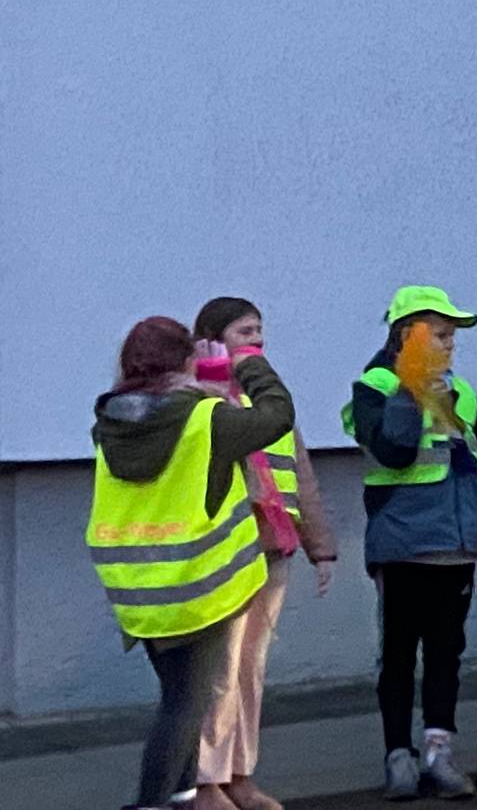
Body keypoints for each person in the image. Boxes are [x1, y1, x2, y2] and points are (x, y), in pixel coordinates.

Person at [92, 317, 292, 810]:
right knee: (184, 707)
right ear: (186, 361)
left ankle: (181, 797)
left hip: (137, 589)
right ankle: (151, 803)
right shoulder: (206, 419)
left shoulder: (112, 422)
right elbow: (277, 416)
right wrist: (250, 366)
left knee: (180, 696)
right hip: (194, 587)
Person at [338, 287, 477, 801]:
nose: (451, 344)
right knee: (398, 654)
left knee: (447, 653)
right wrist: (411, 388)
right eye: (440, 334)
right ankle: (399, 757)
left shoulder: (463, 392)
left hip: (456, 546)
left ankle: (439, 752)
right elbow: (393, 451)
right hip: (403, 545)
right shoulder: (376, 386)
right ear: (408, 335)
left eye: (452, 335)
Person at [181, 299, 334, 810]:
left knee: (251, 671)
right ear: (212, 338)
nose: (257, 340)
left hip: (273, 550)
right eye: (245, 331)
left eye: (260, 331)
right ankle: (205, 782)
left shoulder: (269, 395)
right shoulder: (201, 396)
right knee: (219, 672)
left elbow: (300, 471)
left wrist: (321, 546)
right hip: (226, 553)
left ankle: (240, 774)